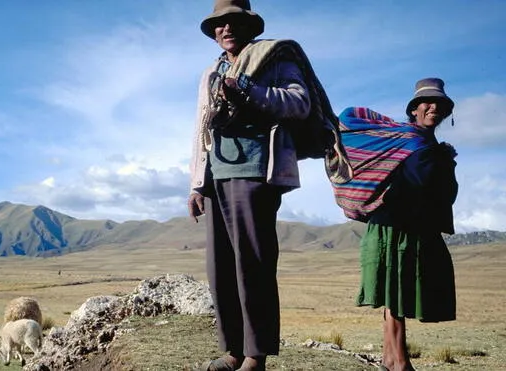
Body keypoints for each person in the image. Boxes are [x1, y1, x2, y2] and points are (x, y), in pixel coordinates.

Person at [187, 1, 348, 370]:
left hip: (256, 170)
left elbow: (300, 102)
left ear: (249, 26)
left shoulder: (275, 59)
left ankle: (255, 356)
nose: (226, 29)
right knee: (221, 267)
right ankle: (232, 350)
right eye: (219, 24)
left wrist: (248, 92)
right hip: (217, 175)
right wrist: (197, 184)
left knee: (253, 265)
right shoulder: (211, 71)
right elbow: (199, 129)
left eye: (233, 22)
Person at [336, 78, 457, 371]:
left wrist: (444, 160)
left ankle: (391, 359)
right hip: (394, 224)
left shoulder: (430, 145)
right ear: (414, 109)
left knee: (397, 294)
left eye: (439, 104)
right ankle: (399, 362)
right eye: (427, 102)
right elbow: (347, 118)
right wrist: (442, 162)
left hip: (414, 226)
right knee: (397, 294)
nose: (433, 108)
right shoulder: (402, 138)